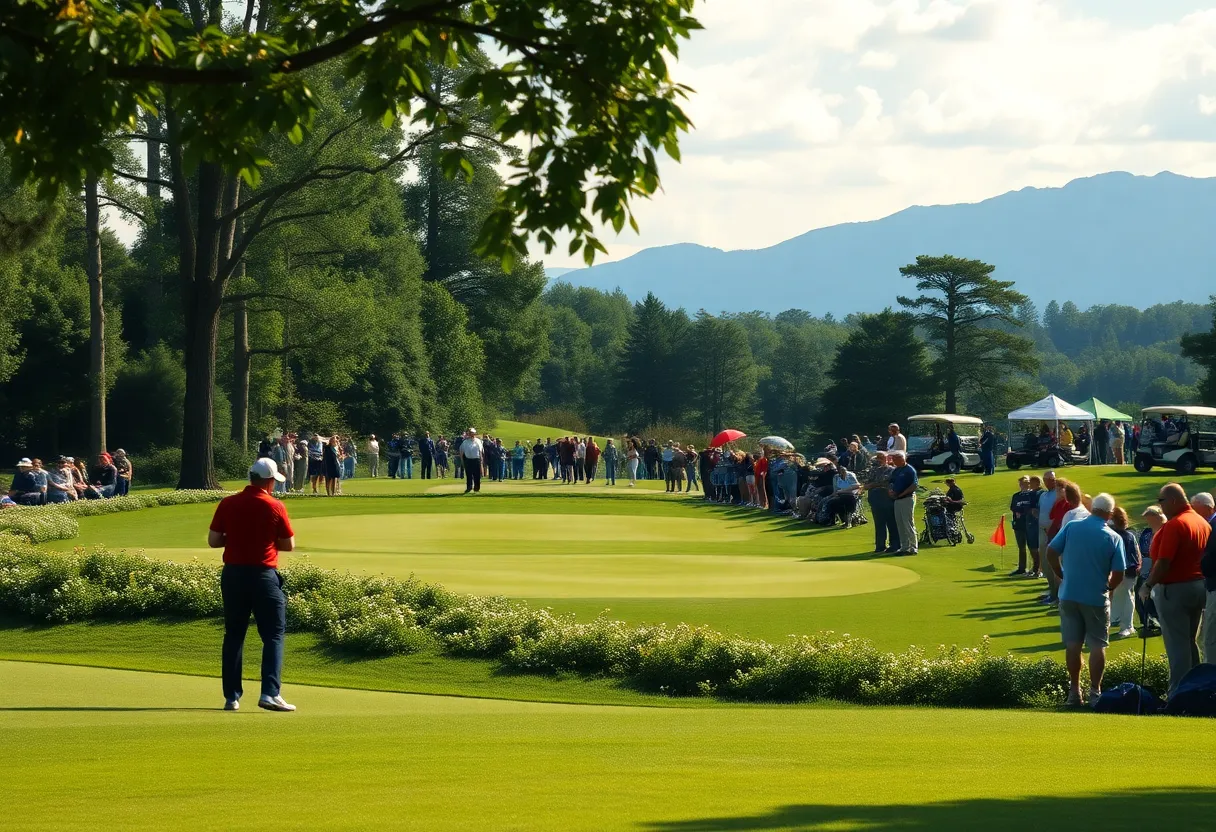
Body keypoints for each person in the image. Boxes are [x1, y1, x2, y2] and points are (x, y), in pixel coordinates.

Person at [208, 457, 297, 712]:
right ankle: (270, 693)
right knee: (273, 635)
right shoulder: (275, 505)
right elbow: (288, 545)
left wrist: (237, 538)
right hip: (263, 576)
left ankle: (231, 697)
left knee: (234, 636)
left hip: (233, 575)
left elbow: (214, 541)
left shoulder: (228, 503)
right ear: (269, 482)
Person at [1046, 492, 1127, 706]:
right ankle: (1095, 692)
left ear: (1092, 509)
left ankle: (1074, 692)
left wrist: (1060, 573)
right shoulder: (1113, 537)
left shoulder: (1072, 527)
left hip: (1069, 594)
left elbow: (1051, 551)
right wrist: (1110, 587)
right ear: (1109, 513)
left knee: (1073, 644)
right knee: (1097, 645)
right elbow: (1119, 572)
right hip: (1095, 597)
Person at [1139, 483, 1211, 697]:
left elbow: (1163, 562)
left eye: (1161, 501)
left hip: (1175, 588)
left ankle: (1178, 694)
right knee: (1189, 642)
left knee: (1177, 644)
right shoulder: (1201, 521)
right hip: (1198, 586)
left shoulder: (1175, 525)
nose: (1159, 506)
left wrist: (1148, 584)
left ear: (1172, 501)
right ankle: (1197, 688)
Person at [1109, 506, 1141, 639]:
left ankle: (1128, 626)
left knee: (1126, 595)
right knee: (1120, 594)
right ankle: (1118, 619)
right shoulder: (1128, 534)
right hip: (1127, 568)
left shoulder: (1120, 535)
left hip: (1126, 569)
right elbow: (1137, 551)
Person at [864, 451, 899, 553]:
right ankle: (880, 545)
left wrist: (873, 485)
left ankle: (894, 544)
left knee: (891, 522)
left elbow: (885, 481)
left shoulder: (892, 470)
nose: (878, 460)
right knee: (879, 523)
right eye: (877, 458)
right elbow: (867, 483)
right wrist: (873, 485)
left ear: (887, 459)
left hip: (887, 498)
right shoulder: (872, 470)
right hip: (875, 498)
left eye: (881, 458)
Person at [1137, 506, 1165, 635]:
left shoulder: (1166, 530)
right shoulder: (1146, 533)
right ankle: (1148, 622)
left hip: (1160, 570)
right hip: (1147, 569)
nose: (1147, 520)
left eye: (1150, 517)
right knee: (1141, 596)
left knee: (1156, 598)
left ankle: (1160, 621)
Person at [887, 451, 918, 556]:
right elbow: (891, 482)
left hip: (907, 498)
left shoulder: (909, 470)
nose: (894, 462)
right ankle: (904, 546)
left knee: (908, 523)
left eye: (896, 459)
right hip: (897, 499)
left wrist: (902, 494)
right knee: (900, 524)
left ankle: (913, 547)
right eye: (894, 460)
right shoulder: (896, 470)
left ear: (902, 459)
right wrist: (890, 491)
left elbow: (913, 485)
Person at [1009, 476, 1036, 576]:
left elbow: (1032, 507)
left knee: (1033, 547)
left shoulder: (1032, 495)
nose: (1021, 485)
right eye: (1020, 483)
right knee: (1021, 547)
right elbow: (1013, 507)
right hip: (1019, 525)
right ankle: (1022, 568)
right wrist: (1017, 511)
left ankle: (1035, 568)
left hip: (1030, 524)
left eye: (1024, 483)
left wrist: (1023, 512)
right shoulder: (1016, 496)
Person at [1034, 471, 1057, 584]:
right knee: (1044, 560)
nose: (1052, 481)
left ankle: (1056, 592)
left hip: (1054, 532)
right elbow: (1040, 510)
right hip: (1042, 530)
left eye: (1053, 479)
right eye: (1049, 479)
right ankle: (1051, 588)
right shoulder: (1043, 495)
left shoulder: (1058, 494)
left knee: (1053, 560)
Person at [829, 462, 861, 528]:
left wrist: (844, 490)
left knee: (849, 500)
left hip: (851, 494)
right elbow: (835, 489)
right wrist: (834, 495)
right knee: (833, 502)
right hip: (841, 495)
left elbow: (857, 485)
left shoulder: (850, 475)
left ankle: (848, 522)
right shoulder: (836, 477)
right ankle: (843, 520)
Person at [459, 429, 484, 494]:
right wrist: (462, 460)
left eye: (473, 433)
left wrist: (481, 460)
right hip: (468, 460)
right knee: (469, 474)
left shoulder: (478, 441)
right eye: (470, 433)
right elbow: (461, 451)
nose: (471, 435)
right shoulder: (465, 442)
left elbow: (480, 451)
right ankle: (469, 487)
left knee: (477, 475)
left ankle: (476, 488)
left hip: (476, 459)